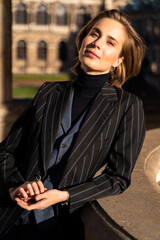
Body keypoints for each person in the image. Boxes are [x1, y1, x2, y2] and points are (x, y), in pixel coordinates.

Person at [0, 9, 146, 240]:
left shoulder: (127, 106)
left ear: (119, 60)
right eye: (94, 34)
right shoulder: (49, 91)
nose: (97, 43)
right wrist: (15, 185)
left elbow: (118, 178)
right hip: (8, 219)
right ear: (82, 40)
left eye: (110, 42)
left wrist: (65, 195)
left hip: (60, 225)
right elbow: (6, 151)